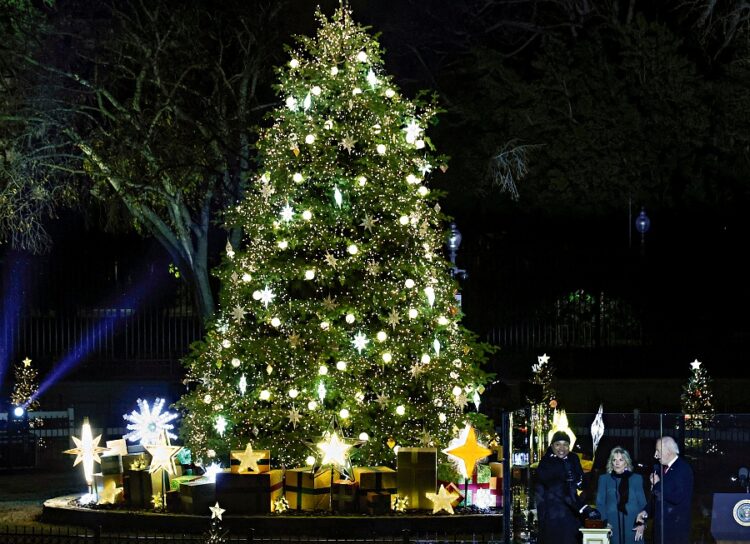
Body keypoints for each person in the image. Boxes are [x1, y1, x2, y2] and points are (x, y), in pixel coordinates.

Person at [535, 431, 596, 544]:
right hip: (552, 516)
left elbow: (580, 484)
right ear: (552, 445)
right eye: (558, 444)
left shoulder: (573, 459)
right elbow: (557, 489)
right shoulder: (546, 463)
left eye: (565, 444)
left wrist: (580, 482)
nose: (561, 448)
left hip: (571, 517)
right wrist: (583, 508)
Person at [635, 436, 693, 544]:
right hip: (660, 532)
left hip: (674, 533)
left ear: (668, 451)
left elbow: (677, 497)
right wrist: (646, 511)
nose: (655, 455)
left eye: (658, 451)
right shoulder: (663, 469)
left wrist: (657, 484)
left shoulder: (683, 469)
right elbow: (659, 497)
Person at [596, 446, 647, 544]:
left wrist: (642, 524)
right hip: (611, 526)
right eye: (614, 460)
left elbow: (643, 504)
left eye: (621, 460)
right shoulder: (604, 479)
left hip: (633, 525)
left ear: (626, 462)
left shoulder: (636, 479)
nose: (617, 462)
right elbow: (600, 503)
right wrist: (604, 522)